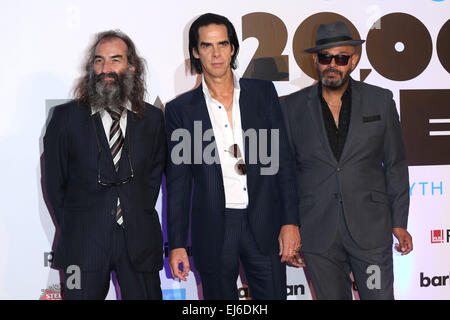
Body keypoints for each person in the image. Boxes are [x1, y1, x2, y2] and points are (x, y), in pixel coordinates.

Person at [165, 13, 301, 300]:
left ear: (233, 48)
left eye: (222, 44)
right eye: (206, 46)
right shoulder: (181, 110)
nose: (216, 53)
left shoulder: (262, 94)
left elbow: (283, 162)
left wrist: (290, 222)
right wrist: (176, 243)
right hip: (213, 228)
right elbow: (179, 182)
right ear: (195, 51)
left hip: (264, 224)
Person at [281, 21, 413, 300]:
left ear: (352, 60)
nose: (333, 64)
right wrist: (289, 224)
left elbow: (396, 164)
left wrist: (399, 221)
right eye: (326, 57)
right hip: (318, 231)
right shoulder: (291, 108)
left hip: (371, 232)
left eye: (340, 58)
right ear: (316, 60)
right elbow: (286, 173)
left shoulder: (380, 101)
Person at [43, 30, 166, 300]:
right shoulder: (65, 118)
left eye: (115, 60)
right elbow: (54, 184)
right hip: (83, 243)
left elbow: (152, 180)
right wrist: (78, 223)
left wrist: (133, 211)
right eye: (98, 61)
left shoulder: (153, 119)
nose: (105, 69)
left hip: (139, 242)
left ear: (131, 67)